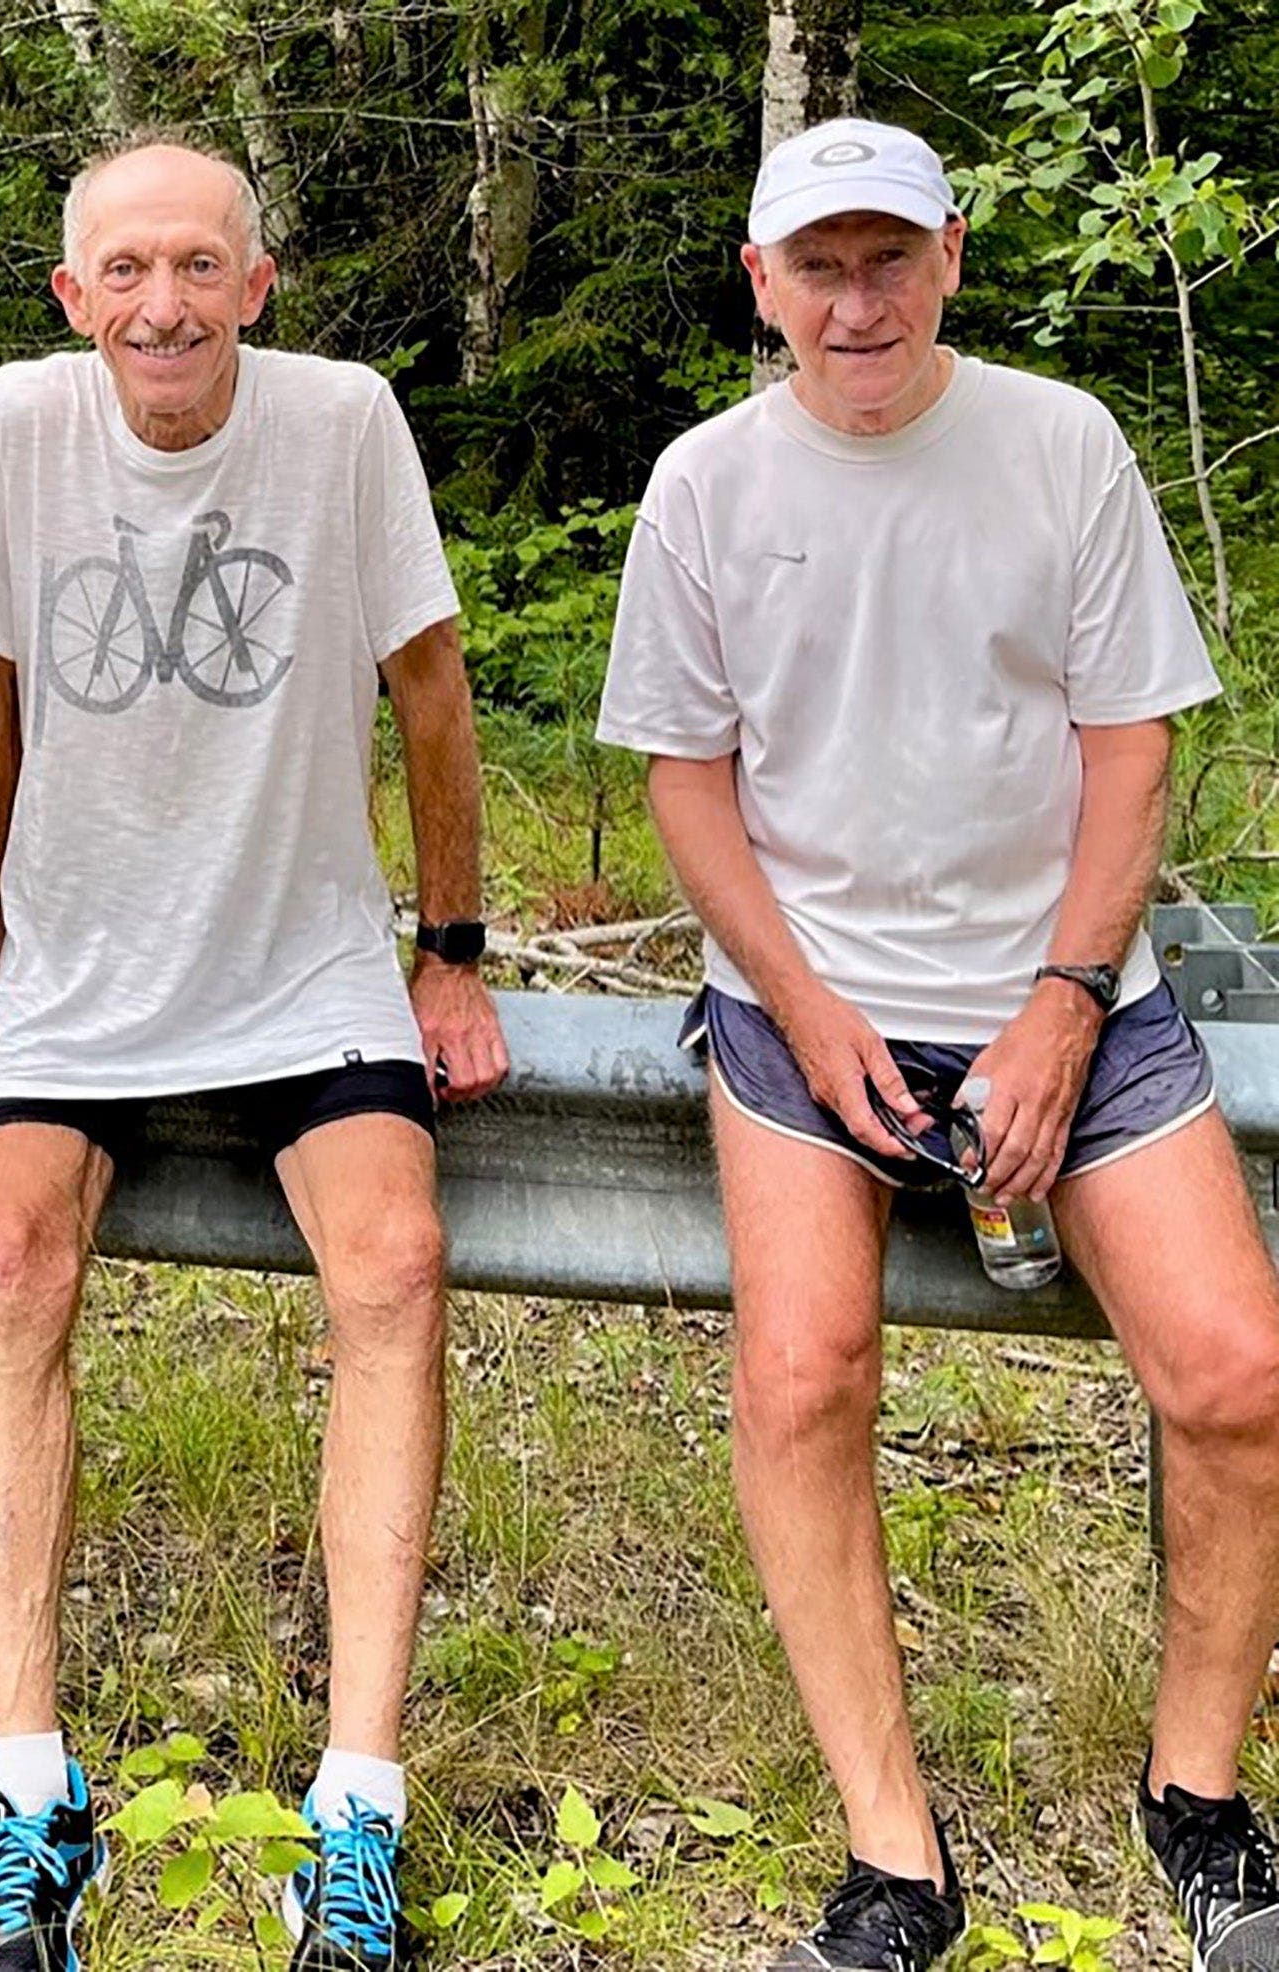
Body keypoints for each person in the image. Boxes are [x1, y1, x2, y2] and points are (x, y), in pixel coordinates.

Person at [598, 116, 1279, 1972]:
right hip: (804, 999)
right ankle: (896, 1862)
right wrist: (805, 1012)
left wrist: (1063, 1002)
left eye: (890, 256)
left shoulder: (1063, 445)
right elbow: (688, 777)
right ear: (764, 288)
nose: (858, 298)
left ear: (952, 260)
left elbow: (1134, 741)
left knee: (1237, 1377)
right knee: (803, 1381)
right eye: (818, 266)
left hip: (1069, 988)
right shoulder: (706, 486)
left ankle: (1200, 1803)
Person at [0, 135, 508, 1972]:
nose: (164, 304)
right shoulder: (17, 425)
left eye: (200, 267)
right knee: (12, 1261)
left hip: (301, 955)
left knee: (398, 1266)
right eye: (127, 271)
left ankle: (357, 1809)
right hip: (84, 953)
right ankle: (30, 1790)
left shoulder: (343, 420)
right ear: (72, 296)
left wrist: (452, 951)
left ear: (256, 286)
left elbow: (430, 683)